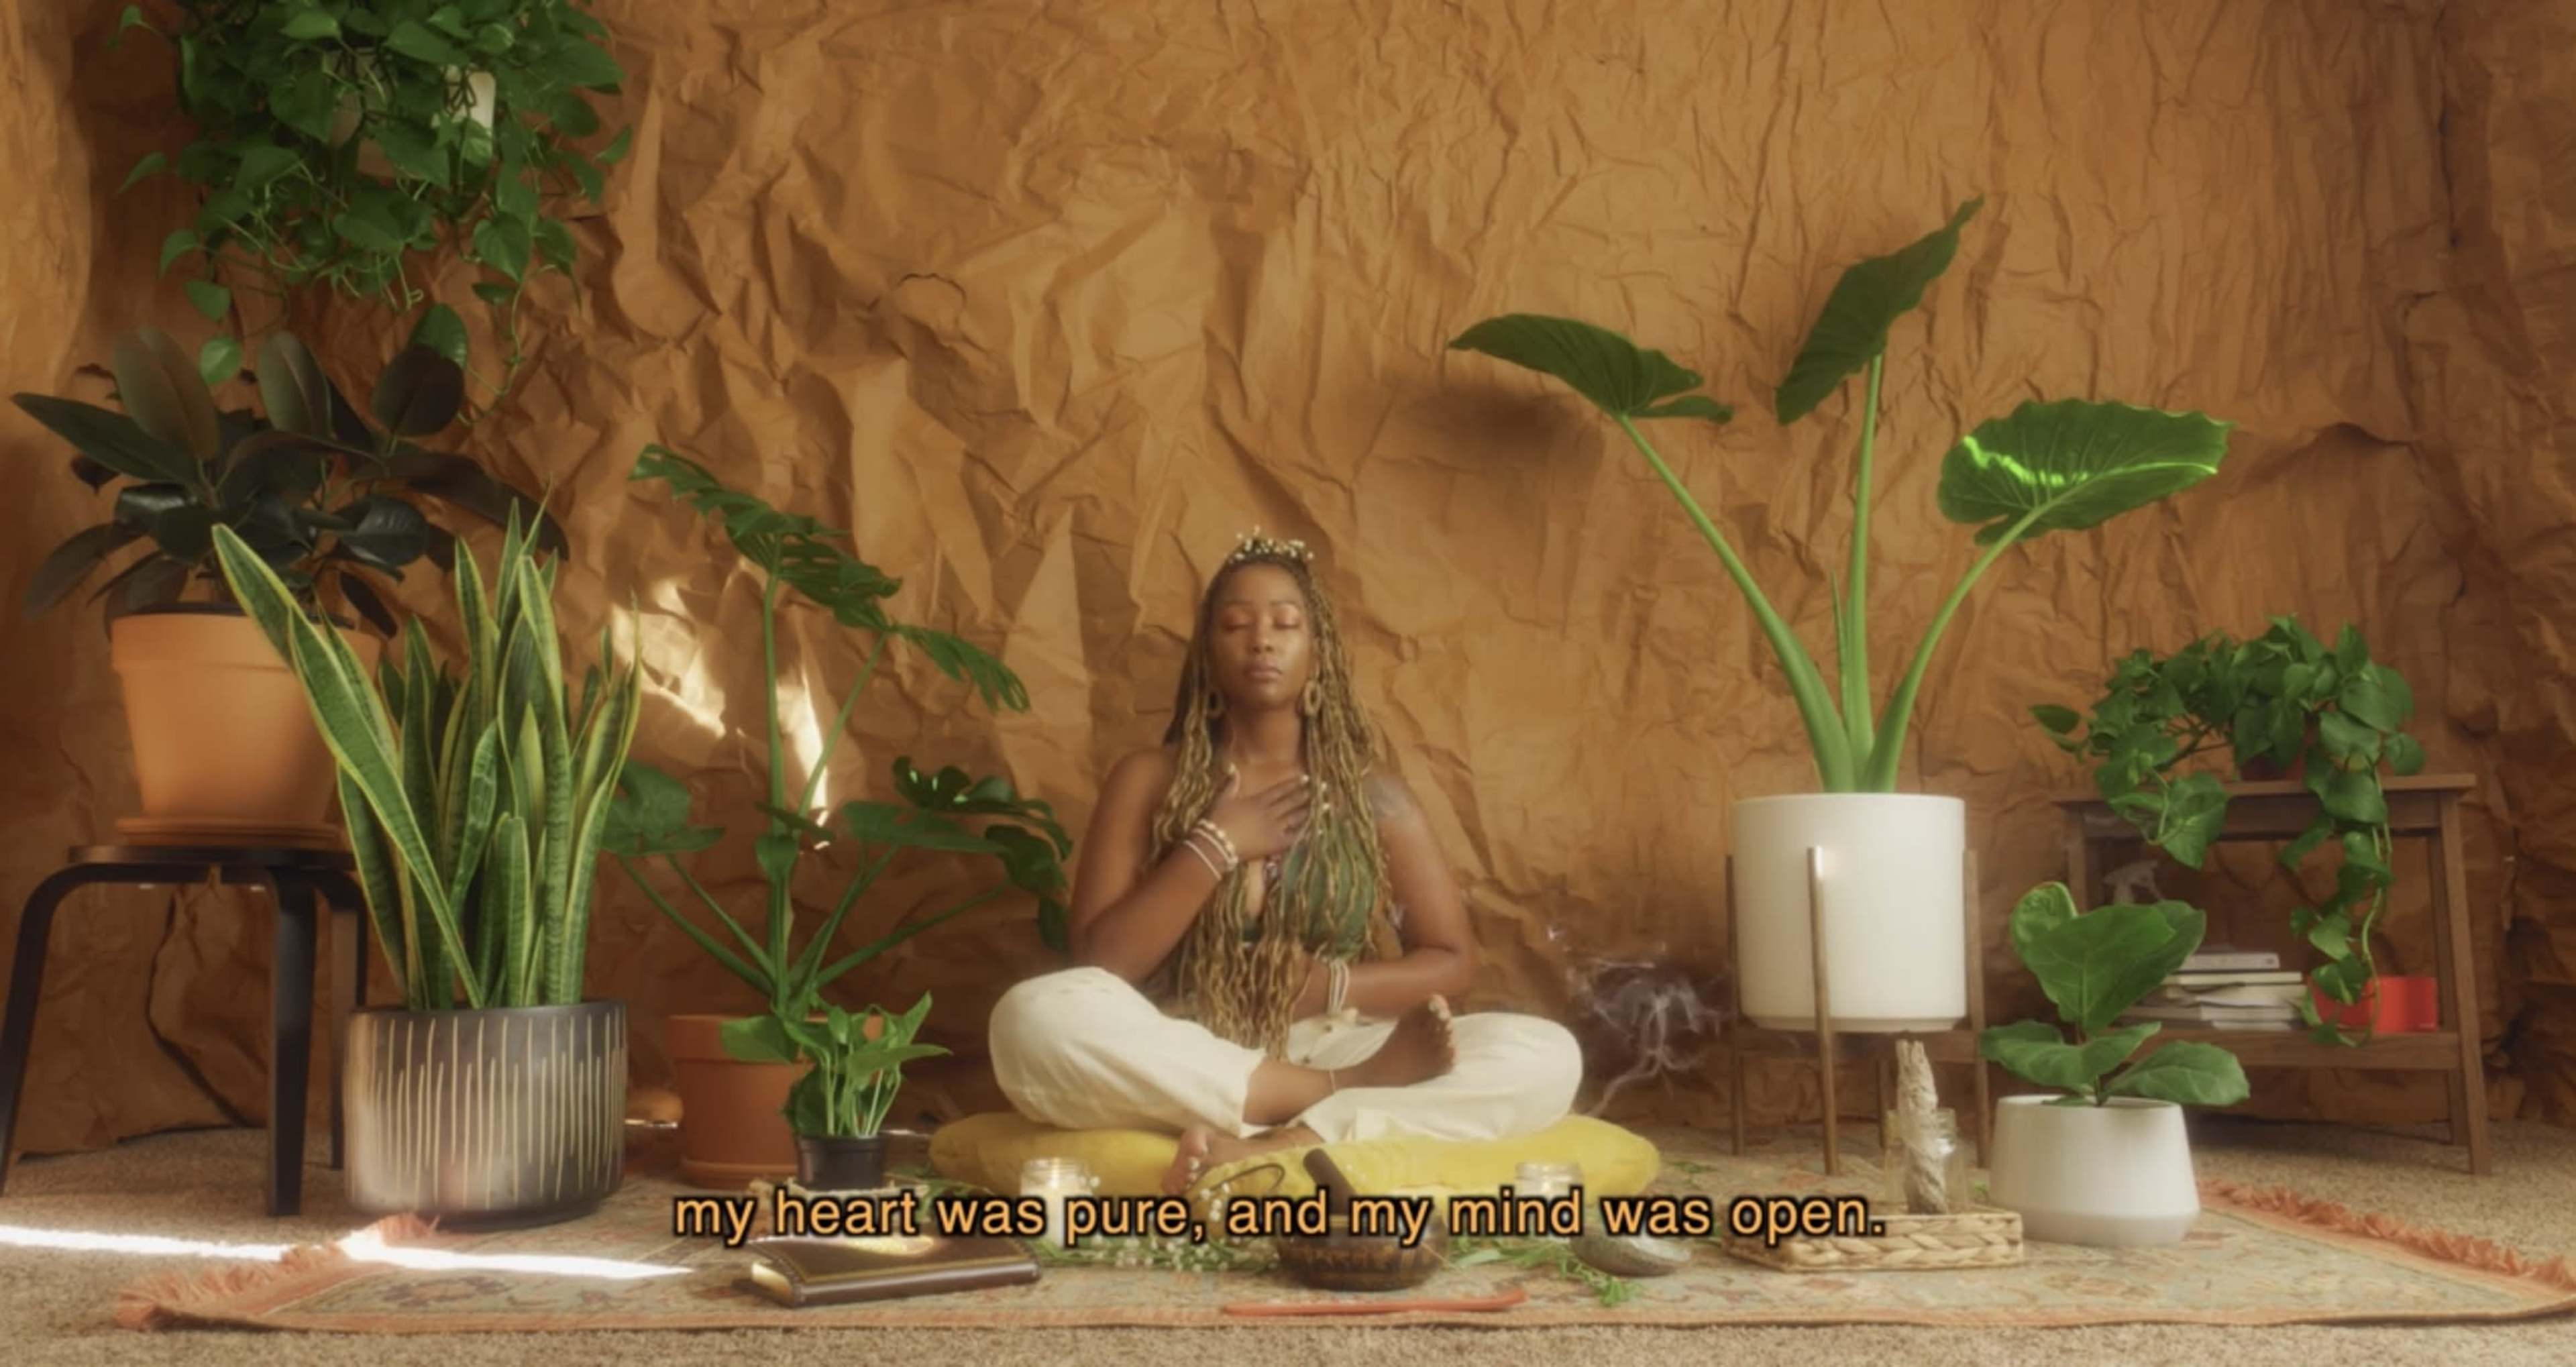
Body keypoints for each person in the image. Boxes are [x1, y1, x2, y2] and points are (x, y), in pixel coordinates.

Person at [987, 531, 1585, 1193]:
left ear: (1318, 652)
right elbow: (1104, 967)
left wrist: (1333, 987)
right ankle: (1336, 1097)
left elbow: (1452, 960)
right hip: (1184, 1042)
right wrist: (1214, 843)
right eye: (1236, 625)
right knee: (1033, 1017)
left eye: (1286, 624)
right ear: (1208, 657)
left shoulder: (1373, 795)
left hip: (1335, 1034)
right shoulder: (1148, 778)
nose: (1262, 641)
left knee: (1546, 1054)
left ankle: (1293, 1136)